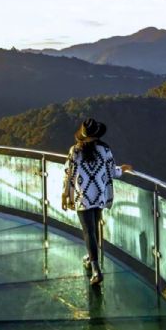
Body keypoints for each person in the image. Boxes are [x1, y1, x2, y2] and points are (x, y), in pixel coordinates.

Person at [61, 118, 132, 285]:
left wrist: (65, 195)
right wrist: (123, 169)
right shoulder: (104, 149)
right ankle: (90, 258)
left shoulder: (75, 151)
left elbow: (68, 173)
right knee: (95, 228)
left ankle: (96, 269)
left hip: (82, 196)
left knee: (88, 231)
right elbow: (112, 172)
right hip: (99, 195)